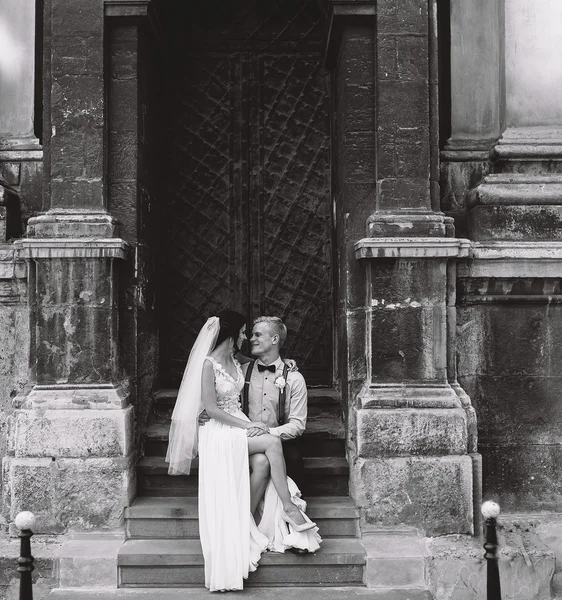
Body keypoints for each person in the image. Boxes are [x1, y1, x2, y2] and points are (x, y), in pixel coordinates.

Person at [165, 310, 320, 592]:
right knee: (271, 444)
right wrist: (246, 425)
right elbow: (211, 408)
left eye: (254, 334)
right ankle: (289, 507)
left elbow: (295, 419)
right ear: (231, 333)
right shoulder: (212, 363)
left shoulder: (244, 363)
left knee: (261, 462)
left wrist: (287, 366)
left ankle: (243, 521)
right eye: (244, 332)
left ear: (274, 339)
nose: (247, 337)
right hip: (224, 429)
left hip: (242, 427)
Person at [242, 316, 307, 517]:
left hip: (278, 439)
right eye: (251, 334)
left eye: (257, 335)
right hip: (244, 439)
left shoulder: (294, 378)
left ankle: (291, 521)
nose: (251, 339)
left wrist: (267, 432)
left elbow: (297, 424)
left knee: (294, 458)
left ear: (275, 339)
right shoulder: (242, 371)